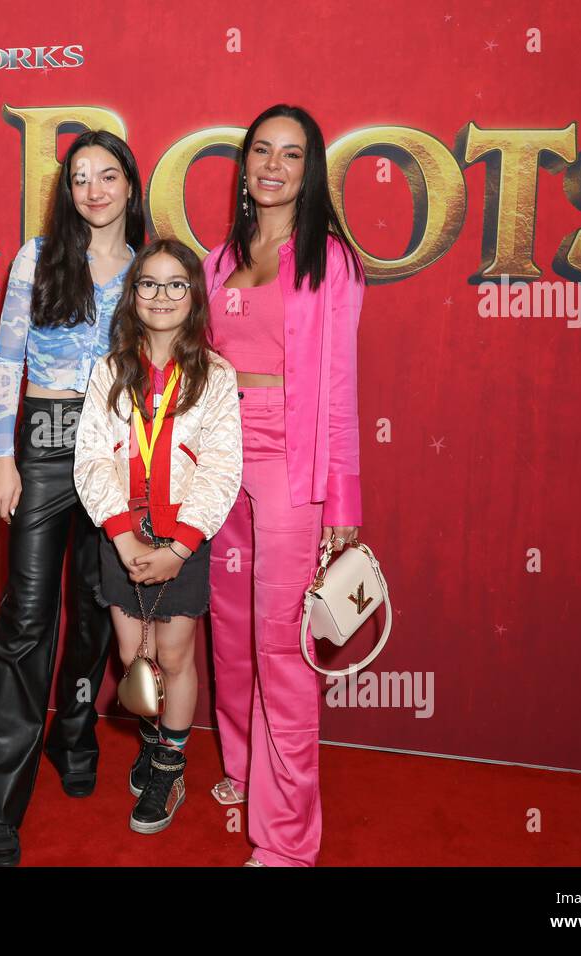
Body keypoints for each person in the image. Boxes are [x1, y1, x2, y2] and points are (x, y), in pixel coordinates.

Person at [0, 130, 146, 867]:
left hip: (114, 448)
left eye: (109, 176)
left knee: (96, 616)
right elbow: (8, 356)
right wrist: (2, 458)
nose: (95, 190)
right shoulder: (36, 259)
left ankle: (72, 732)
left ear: (131, 187)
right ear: (67, 189)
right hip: (43, 440)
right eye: (81, 178)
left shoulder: (150, 270)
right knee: (27, 616)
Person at [203, 103, 368, 866]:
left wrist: (344, 500)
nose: (272, 165)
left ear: (311, 171)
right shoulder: (217, 258)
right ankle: (242, 765)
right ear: (244, 165)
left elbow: (339, 385)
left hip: (288, 457)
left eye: (291, 155)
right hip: (216, 452)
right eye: (261, 151)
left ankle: (288, 842)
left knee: (282, 646)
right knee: (228, 632)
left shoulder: (328, 259)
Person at [73, 237, 243, 834]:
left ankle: (169, 761)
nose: (163, 295)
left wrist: (176, 549)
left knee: (174, 655)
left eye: (177, 284)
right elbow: (91, 459)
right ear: (133, 294)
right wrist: (123, 540)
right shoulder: (110, 370)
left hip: (182, 541)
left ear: (194, 296)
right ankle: (152, 737)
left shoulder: (216, 376)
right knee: (132, 656)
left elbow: (222, 467)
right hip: (121, 537)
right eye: (149, 283)